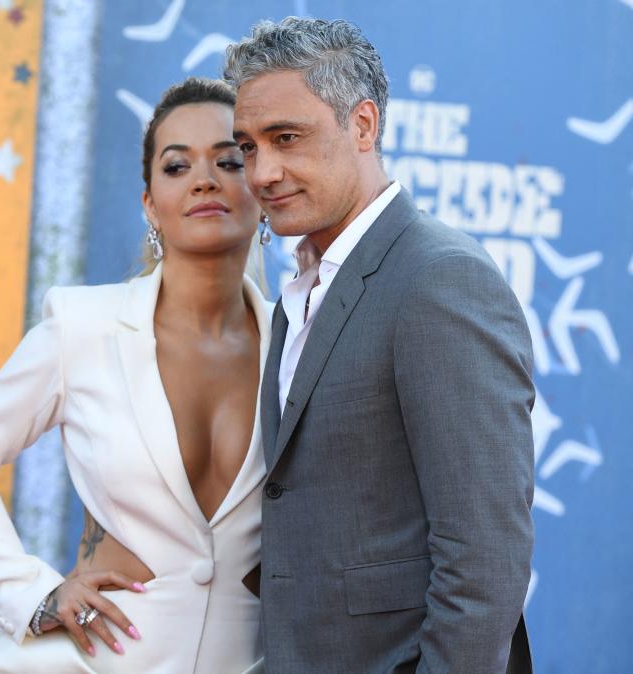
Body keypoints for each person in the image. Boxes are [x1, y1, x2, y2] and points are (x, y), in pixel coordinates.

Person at [0, 77, 271, 674]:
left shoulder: (300, 345)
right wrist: (31, 592)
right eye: (176, 166)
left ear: (263, 188)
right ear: (149, 205)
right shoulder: (83, 328)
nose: (204, 179)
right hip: (94, 661)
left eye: (229, 160)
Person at [224, 17, 535, 674]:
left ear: (362, 126)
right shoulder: (298, 292)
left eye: (287, 138)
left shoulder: (440, 277)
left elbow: (484, 563)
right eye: (248, 146)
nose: (263, 172)